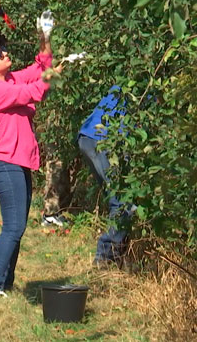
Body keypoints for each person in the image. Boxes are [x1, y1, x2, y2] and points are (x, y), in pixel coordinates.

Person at [0, 20, 63, 297]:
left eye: (4, 50)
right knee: (13, 227)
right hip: (5, 163)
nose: (5, 54)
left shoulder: (9, 79)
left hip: (19, 162)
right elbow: (31, 91)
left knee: (16, 229)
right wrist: (49, 77)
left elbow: (40, 67)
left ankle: (3, 287)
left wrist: (45, 35)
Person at [77, 85, 136, 267]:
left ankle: (117, 257)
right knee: (124, 203)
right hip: (106, 140)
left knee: (116, 199)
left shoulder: (127, 81)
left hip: (87, 137)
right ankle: (105, 257)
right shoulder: (148, 88)